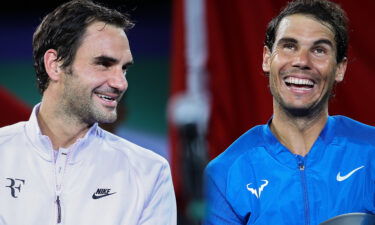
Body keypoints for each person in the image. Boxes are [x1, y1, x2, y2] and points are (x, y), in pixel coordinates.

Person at [0, 1, 176, 224]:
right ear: (54, 65)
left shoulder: (149, 171)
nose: (120, 83)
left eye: (124, 68)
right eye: (103, 63)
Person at [204, 0, 375, 224]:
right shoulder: (224, 174)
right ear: (267, 58)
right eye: (289, 46)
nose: (302, 61)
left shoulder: (371, 151)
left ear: (340, 68)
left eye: (319, 50)